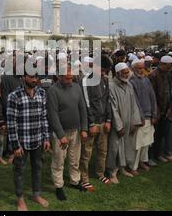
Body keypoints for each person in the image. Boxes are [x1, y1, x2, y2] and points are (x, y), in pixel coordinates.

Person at [6, 69, 50, 211]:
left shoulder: (42, 93)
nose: (34, 79)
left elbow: (44, 117)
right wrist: (15, 145)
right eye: (31, 77)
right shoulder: (14, 96)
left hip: (37, 139)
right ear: (24, 77)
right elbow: (11, 122)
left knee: (37, 168)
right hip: (21, 142)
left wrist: (46, 138)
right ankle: (20, 199)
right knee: (19, 170)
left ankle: (36, 194)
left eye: (36, 77)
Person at [47, 63, 88, 200]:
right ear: (59, 76)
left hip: (75, 131)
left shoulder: (76, 87)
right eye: (66, 78)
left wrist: (84, 128)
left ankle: (75, 181)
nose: (70, 80)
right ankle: (59, 186)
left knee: (74, 159)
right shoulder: (53, 91)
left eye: (71, 77)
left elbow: (82, 109)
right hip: (60, 133)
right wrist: (60, 134)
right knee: (59, 160)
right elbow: (53, 114)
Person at [79, 56, 113, 192]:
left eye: (106, 70)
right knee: (86, 153)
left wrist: (109, 120)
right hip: (91, 124)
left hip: (103, 122)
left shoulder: (105, 80)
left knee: (102, 151)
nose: (104, 73)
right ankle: (84, 178)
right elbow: (86, 104)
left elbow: (108, 101)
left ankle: (100, 173)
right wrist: (91, 124)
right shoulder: (86, 81)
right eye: (103, 70)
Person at [106, 62, 143, 183]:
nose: (127, 75)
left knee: (127, 146)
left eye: (128, 72)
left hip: (129, 122)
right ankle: (112, 172)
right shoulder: (111, 86)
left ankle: (122, 168)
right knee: (114, 148)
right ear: (117, 73)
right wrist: (119, 125)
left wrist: (135, 122)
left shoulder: (129, 85)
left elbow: (134, 105)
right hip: (118, 124)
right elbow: (113, 108)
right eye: (125, 73)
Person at [129, 59, 157, 173]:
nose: (141, 70)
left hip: (149, 116)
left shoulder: (146, 80)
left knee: (146, 143)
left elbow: (152, 97)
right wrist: (140, 116)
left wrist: (154, 113)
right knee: (137, 144)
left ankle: (142, 162)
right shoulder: (131, 82)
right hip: (139, 118)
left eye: (142, 68)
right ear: (134, 69)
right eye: (139, 68)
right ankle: (133, 166)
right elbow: (135, 101)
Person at [148, 55, 172, 163]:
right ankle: (150, 157)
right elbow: (152, 95)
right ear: (162, 64)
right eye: (168, 67)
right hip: (156, 110)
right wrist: (156, 111)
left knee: (161, 134)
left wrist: (169, 108)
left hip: (165, 109)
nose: (169, 69)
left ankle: (158, 154)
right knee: (153, 135)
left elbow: (169, 91)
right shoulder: (153, 75)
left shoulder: (167, 74)